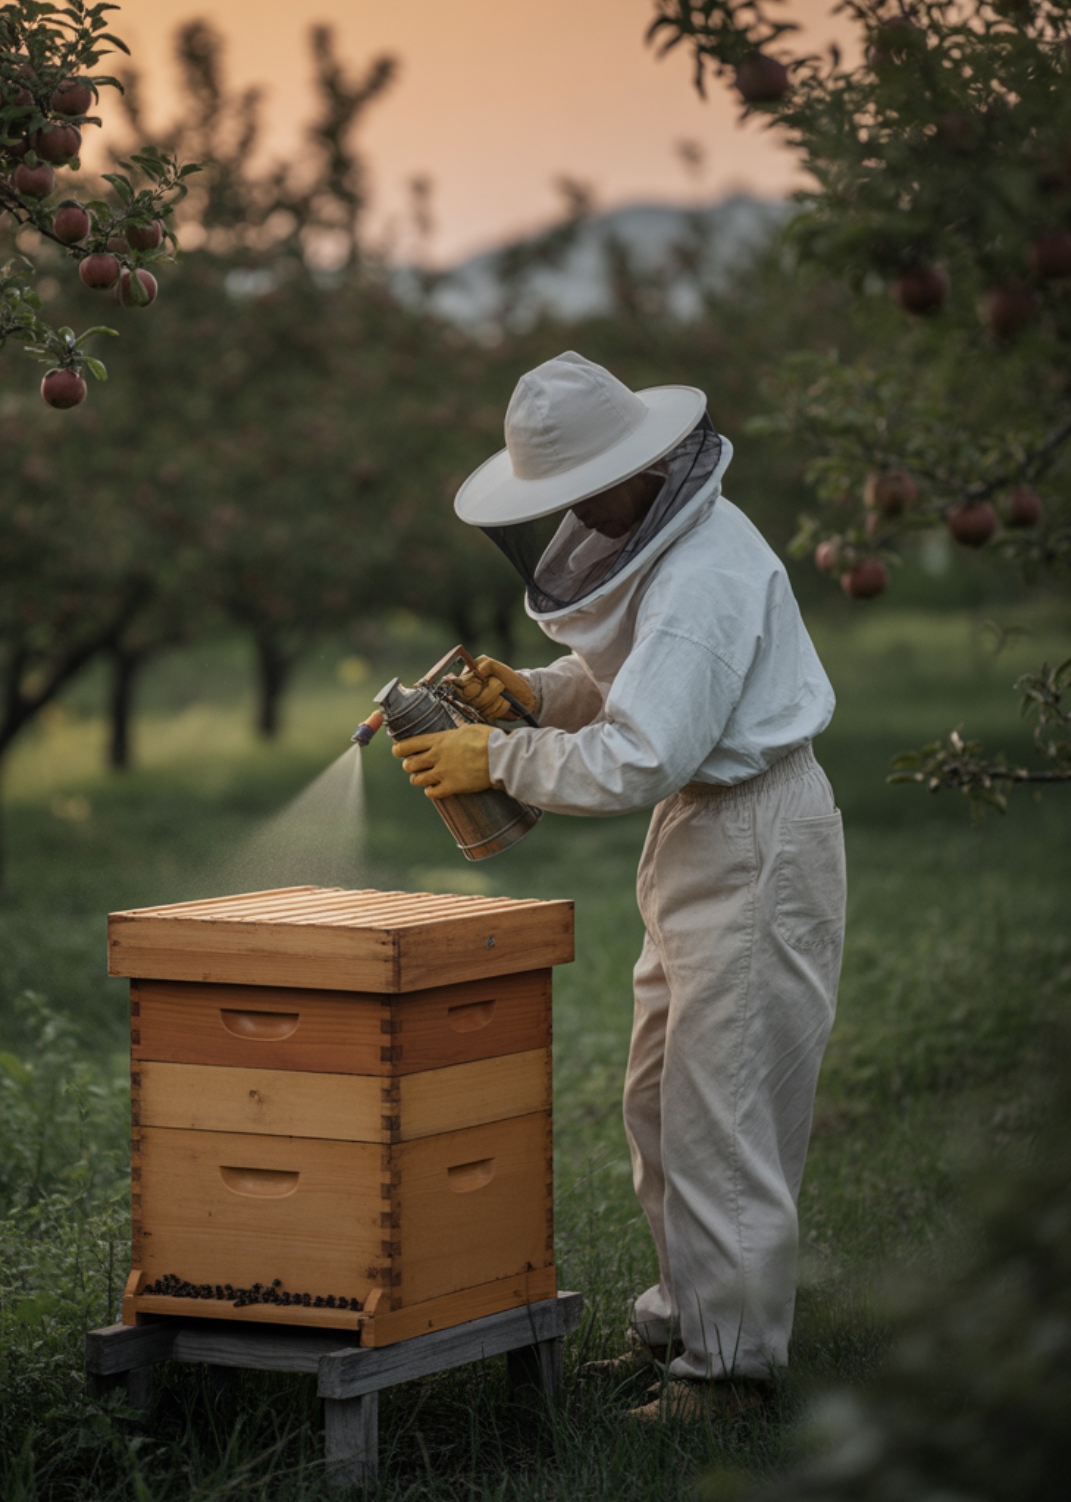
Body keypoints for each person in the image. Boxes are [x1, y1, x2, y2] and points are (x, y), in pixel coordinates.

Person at [391, 351, 845, 1420]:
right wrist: (538, 694)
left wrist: (496, 760)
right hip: (705, 836)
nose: (574, 516)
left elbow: (646, 752)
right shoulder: (664, 548)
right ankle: (683, 1329)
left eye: (580, 491)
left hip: (754, 836)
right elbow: (632, 679)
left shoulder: (704, 578)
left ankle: (729, 1373)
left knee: (719, 1109)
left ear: (642, 463)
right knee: (658, 1100)